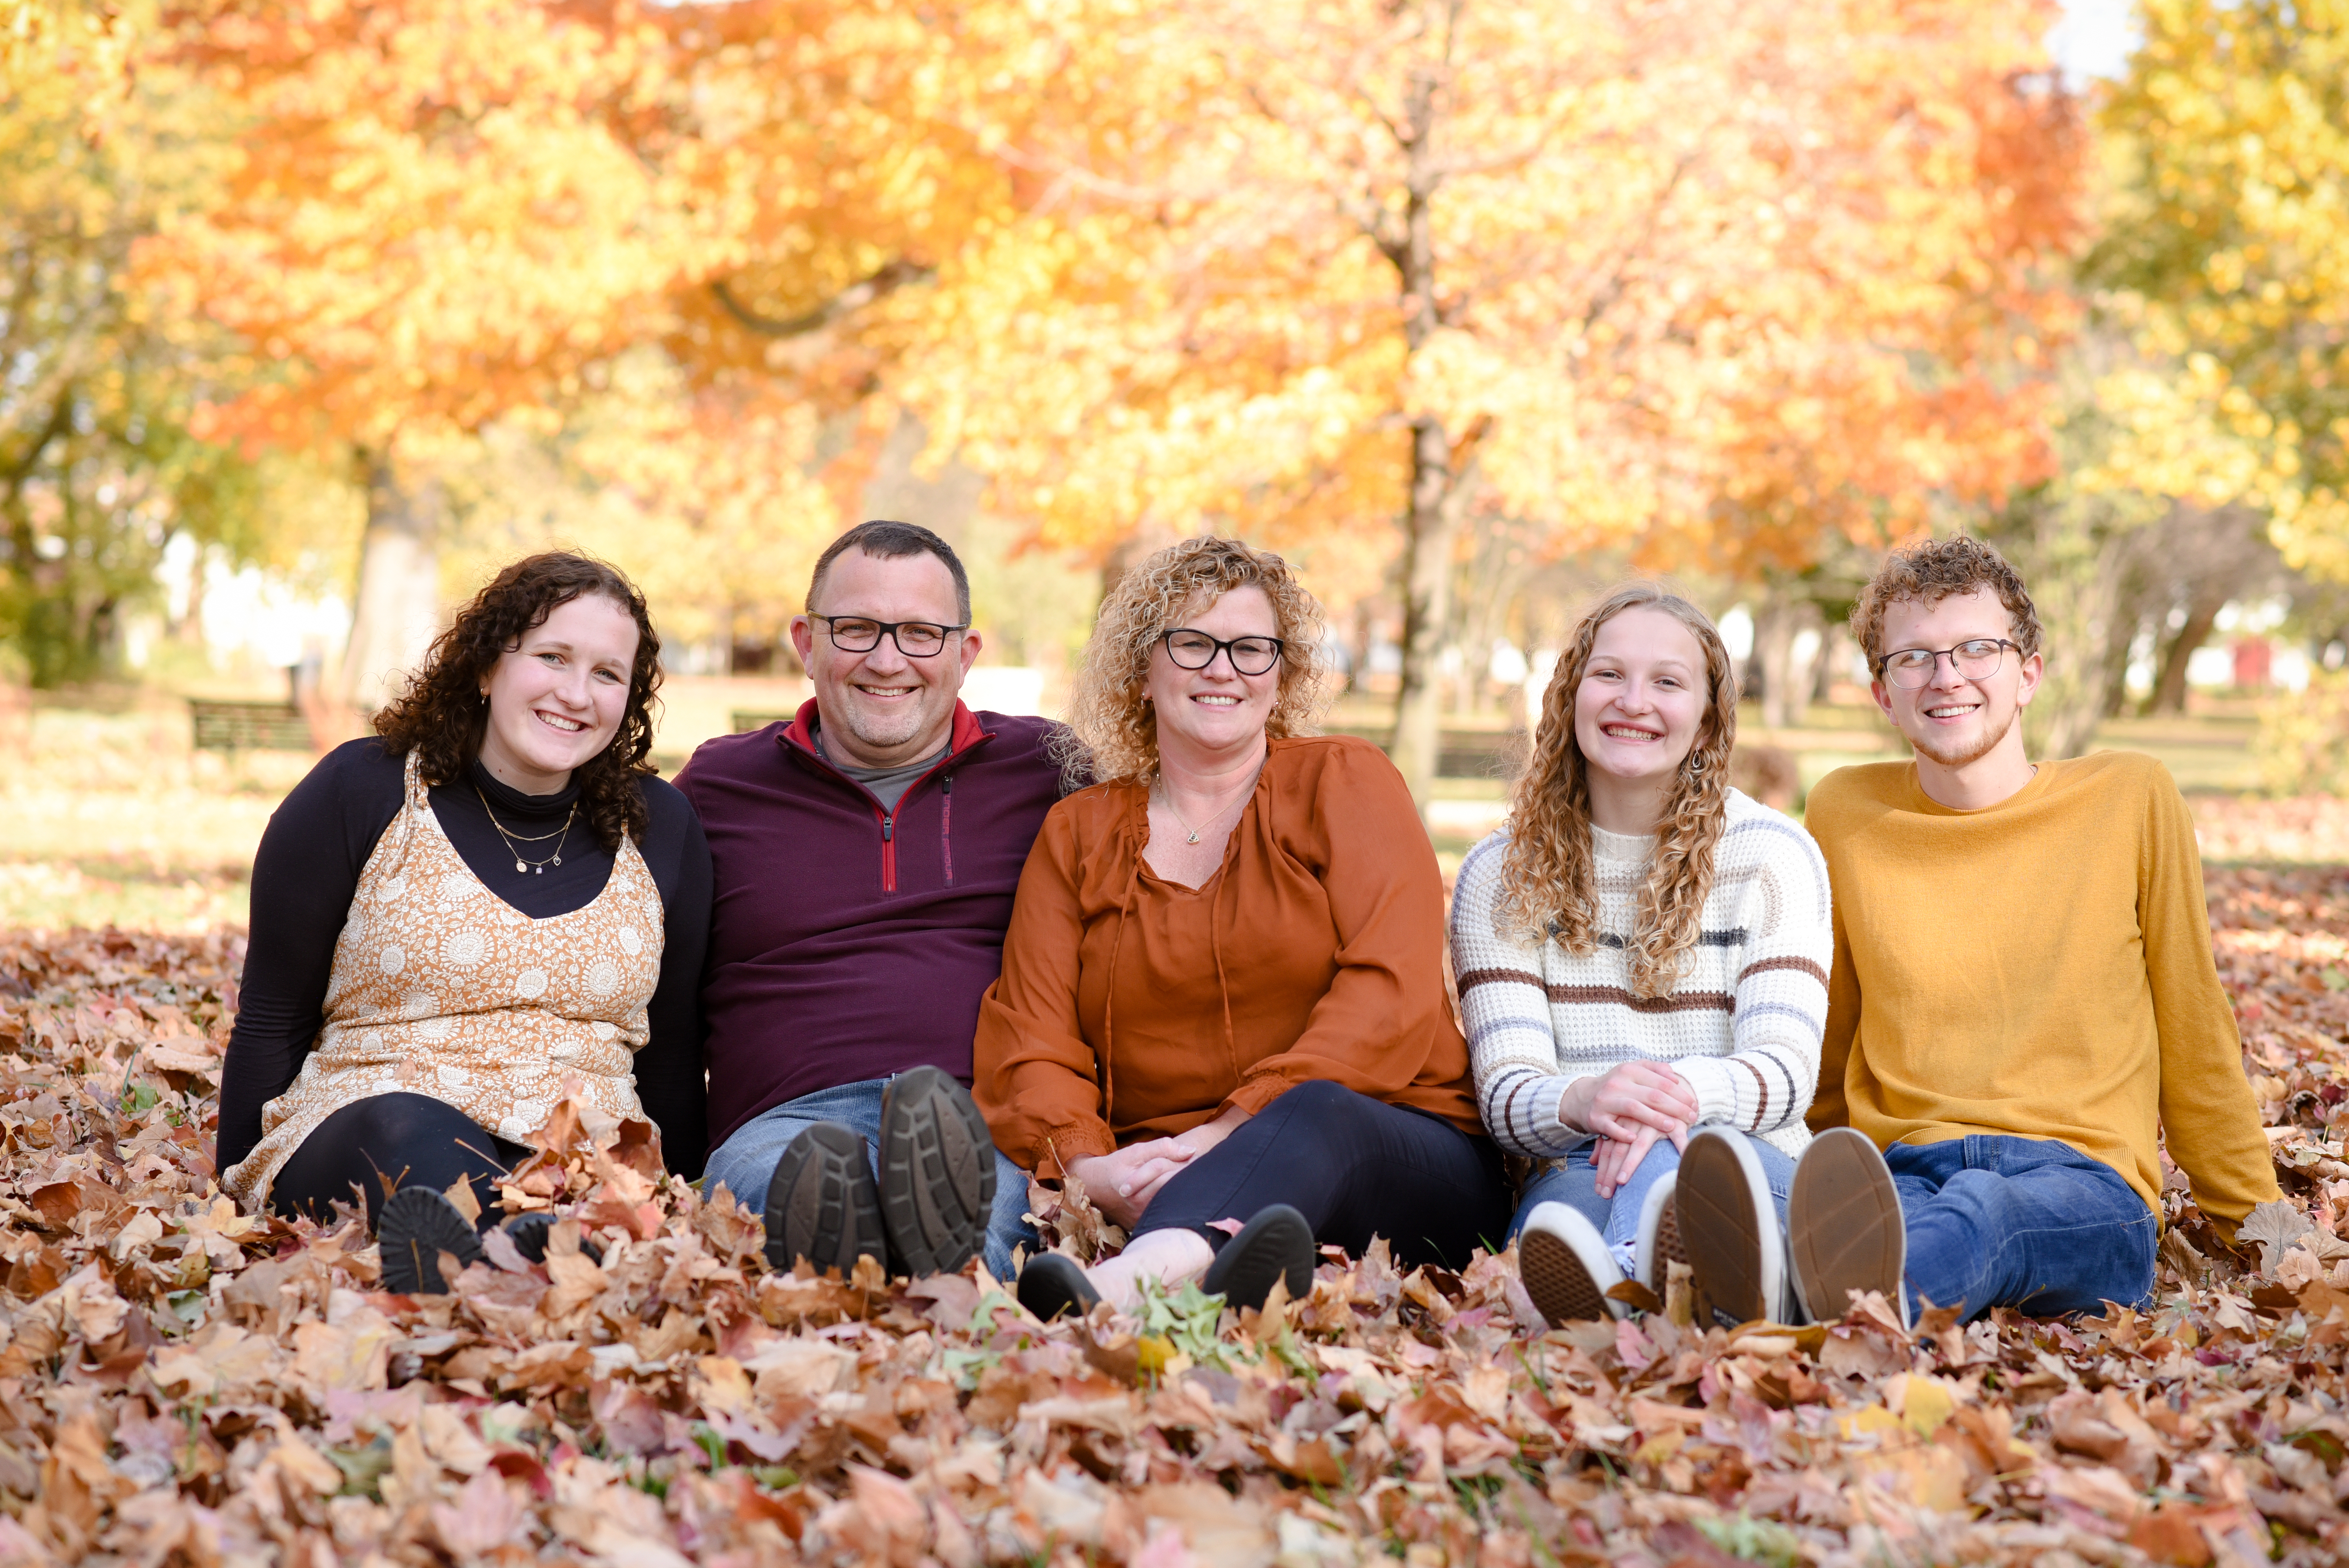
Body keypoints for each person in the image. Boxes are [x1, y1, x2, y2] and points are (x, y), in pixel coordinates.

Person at [975, 537, 1513, 1320]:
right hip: (1150, 1176)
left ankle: (1123, 1290)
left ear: (1282, 673)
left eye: (1251, 648)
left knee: (1314, 1110)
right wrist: (1093, 1169)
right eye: (1191, 643)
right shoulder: (1077, 834)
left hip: (1396, 1151)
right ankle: (1228, 1268)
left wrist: (1226, 1134)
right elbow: (1031, 1033)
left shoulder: (1345, 783)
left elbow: (1386, 996)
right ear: (1140, 668)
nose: (1222, 668)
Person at [1794, 536, 2279, 1324]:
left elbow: (2195, 1034)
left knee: (1986, 1213)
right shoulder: (1844, 813)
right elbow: (1828, 1029)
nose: (1945, 676)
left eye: (1975, 649)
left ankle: (1818, 1308)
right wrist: (1802, 1163)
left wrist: (2265, 1236)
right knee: (1921, 1217)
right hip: (1905, 1168)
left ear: (2027, 674)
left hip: (2083, 1188)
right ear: (1882, 694)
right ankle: (1825, 1295)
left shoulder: (2129, 798)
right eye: (1911, 657)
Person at [219, 554, 712, 1293]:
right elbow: (270, 1018)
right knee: (411, 1130)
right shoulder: (363, 790)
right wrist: (230, 1197)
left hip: (581, 1154)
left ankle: (494, 1262)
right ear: (486, 668)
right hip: (372, 1126)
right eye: (552, 657)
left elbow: (672, 1053)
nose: (577, 695)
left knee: (574, 1194)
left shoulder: (661, 826)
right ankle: (514, 1262)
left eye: (608, 675)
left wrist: (689, 1195)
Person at [679, 520, 1061, 1282]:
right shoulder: (718, 787)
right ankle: (884, 1263)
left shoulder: (1050, 771)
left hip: (977, 1121)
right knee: (794, 1181)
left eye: (920, 633)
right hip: (785, 1123)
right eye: (855, 629)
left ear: (965, 653)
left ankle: (897, 1274)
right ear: (805, 641)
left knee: (973, 1202)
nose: (887, 661)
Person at [1451, 586, 1833, 1329]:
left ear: (1708, 716)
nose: (1634, 702)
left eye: (1667, 682)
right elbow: (1505, 1093)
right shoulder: (1501, 874)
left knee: (1677, 1177)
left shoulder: (1772, 856)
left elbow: (1786, 1073)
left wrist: (1657, 1102)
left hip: (1746, 1161)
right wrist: (1590, 1099)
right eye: (1609, 675)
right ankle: (1693, 1301)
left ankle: (1634, 1297)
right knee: (1550, 1253)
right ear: (1569, 695)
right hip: (1577, 1169)